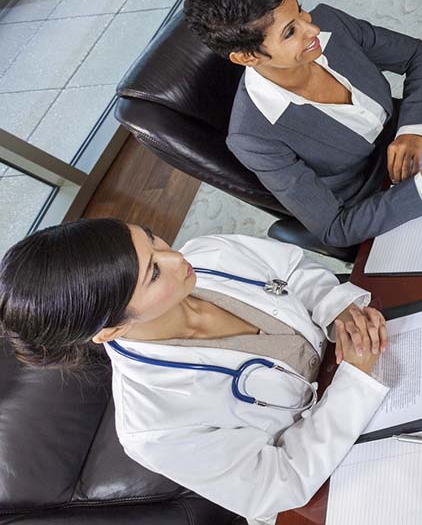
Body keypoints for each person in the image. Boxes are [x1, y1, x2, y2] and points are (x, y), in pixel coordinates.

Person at [0, 219, 391, 524]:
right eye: (153, 273)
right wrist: (353, 384)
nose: (176, 258)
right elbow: (280, 483)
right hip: (334, 470)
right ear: (112, 330)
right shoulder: (154, 427)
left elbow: (293, 269)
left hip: (361, 368)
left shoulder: (211, 252)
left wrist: (336, 308)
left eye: (152, 239)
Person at [183, 0, 422, 248]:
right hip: (377, 199)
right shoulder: (253, 137)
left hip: (419, 128)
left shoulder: (329, 22)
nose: (312, 27)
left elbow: (417, 55)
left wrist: (412, 130)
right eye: (290, 32)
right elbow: (335, 228)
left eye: (300, 10)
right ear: (246, 57)